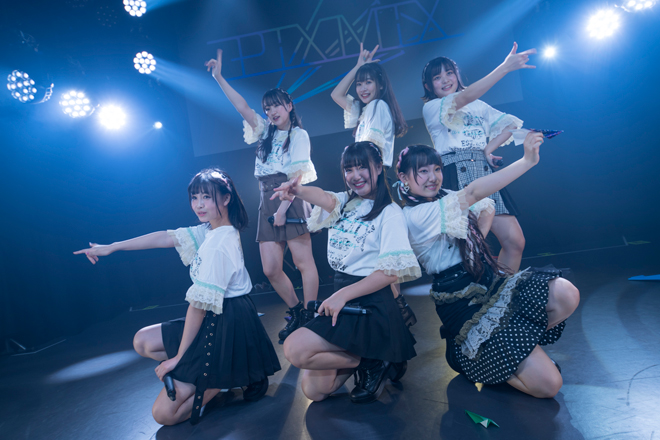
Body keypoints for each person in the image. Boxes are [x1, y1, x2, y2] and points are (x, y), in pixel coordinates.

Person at [73, 169, 281, 424]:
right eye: (195, 197)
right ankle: (219, 372)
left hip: (230, 323)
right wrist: (112, 247)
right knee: (142, 341)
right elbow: (165, 237)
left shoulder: (219, 243)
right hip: (217, 315)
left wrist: (179, 359)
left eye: (206, 197)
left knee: (164, 414)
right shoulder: (211, 230)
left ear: (226, 198)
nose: (199, 204)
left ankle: (225, 377)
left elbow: (198, 307)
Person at [396, 135, 580, 398]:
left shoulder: (445, 195)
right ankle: (468, 357)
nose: (433, 177)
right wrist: (527, 161)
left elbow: (486, 208)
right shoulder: (414, 215)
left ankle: (510, 350)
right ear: (403, 177)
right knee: (549, 385)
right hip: (460, 304)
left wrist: (473, 247)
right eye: (422, 171)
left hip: (488, 282)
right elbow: (474, 193)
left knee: (566, 293)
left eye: (437, 169)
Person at [271, 141, 420, 404]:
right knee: (315, 391)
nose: (355, 175)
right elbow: (322, 196)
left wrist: (342, 296)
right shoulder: (344, 202)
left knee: (294, 349)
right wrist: (298, 190)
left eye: (362, 167)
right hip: (342, 300)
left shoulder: (390, 213)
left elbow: (390, 274)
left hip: (371, 304)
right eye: (349, 169)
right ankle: (372, 360)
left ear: (378, 167)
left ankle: (375, 356)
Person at [205, 49, 319, 342]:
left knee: (303, 262)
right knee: (270, 269)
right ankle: (298, 312)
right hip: (266, 198)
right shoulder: (264, 132)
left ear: (289, 105)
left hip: (289, 198)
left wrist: (282, 210)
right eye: (268, 108)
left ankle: (312, 316)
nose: (272, 111)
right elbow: (240, 105)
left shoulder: (299, 135)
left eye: (277, 105)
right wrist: (219, 77)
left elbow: (296, 177)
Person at [422, 42, 537, 272]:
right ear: (428, 86)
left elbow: (510, 126)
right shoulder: (433, 107)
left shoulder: (478, 106)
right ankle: (468, 291)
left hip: (484, 172)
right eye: (437, 77)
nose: (445, 80)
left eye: (449, 73)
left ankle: (500, 290)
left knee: (515, 242)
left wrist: (487, 149)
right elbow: (464, 97)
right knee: (466, 248)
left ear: (457, 75)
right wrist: (504, 67)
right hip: (456, 173)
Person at [330, 43, 415, 326]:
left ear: (380, 84)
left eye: (368, 82)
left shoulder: (378, 106)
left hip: (376, 180)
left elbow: (373, 151)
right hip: (367, 180)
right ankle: (397, 311)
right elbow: (336, 94)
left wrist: (359, 177)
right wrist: (357, 66)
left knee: (383, 254)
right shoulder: (364, 110)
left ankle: (397, 312)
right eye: (359, 83)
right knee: (381, 253)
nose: (362, 88)